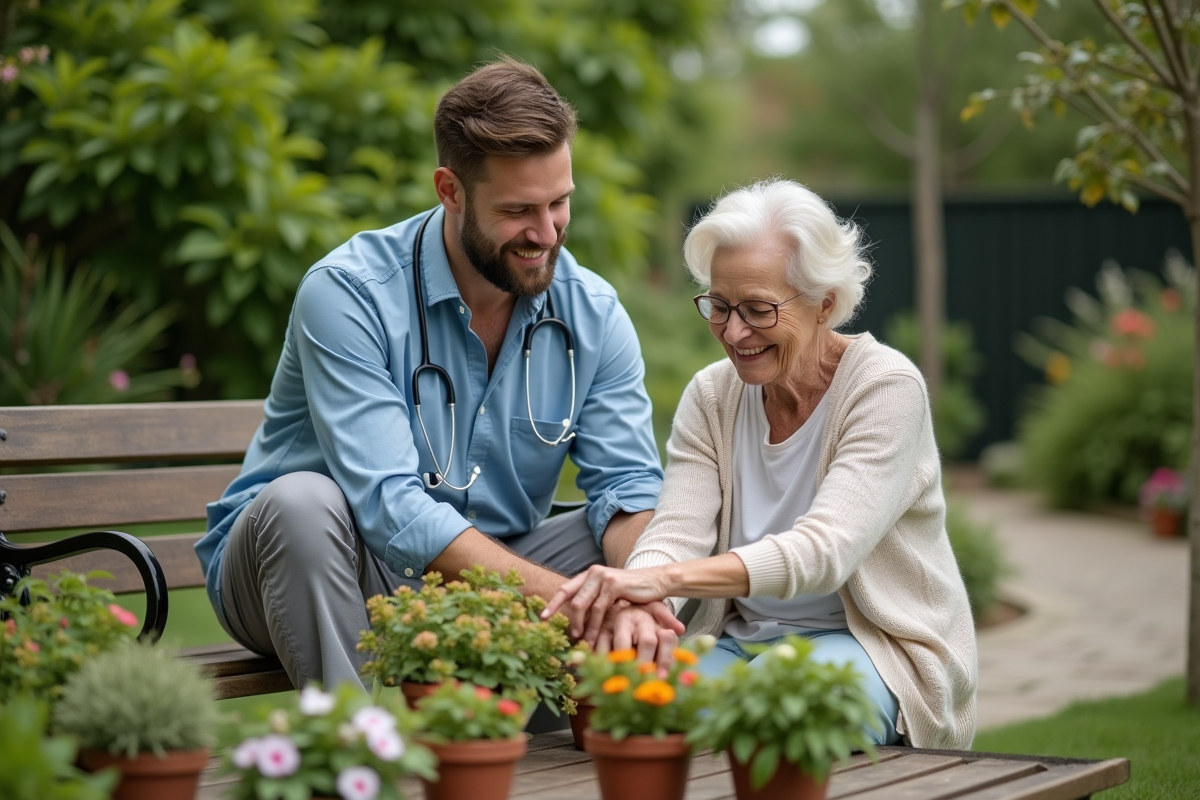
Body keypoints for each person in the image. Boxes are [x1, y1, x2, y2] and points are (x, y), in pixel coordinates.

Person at [195, 58, 683, 693]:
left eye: (560, 202)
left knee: (668, 551)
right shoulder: (349, 293)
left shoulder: (593, 313)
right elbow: (391, 508)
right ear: (450, 190)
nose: (546, 233)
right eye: (518, 210)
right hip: (326, 564)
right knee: (299, 503)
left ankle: (547, 754)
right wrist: (573, 600)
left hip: (499, 556)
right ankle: (354, 755)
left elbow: (627, 486)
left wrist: (635, 590)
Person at [543, 178, 978, 749]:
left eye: (758, 309)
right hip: (737, 643)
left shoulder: (885, 387)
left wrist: (654, 580)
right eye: (719, 306)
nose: (733, 332)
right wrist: (639, 605)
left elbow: (824, 552)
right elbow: (675, 530)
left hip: (872, 650)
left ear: (825, 303)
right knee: (626, 714)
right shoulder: (712, 396)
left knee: (771, 722)